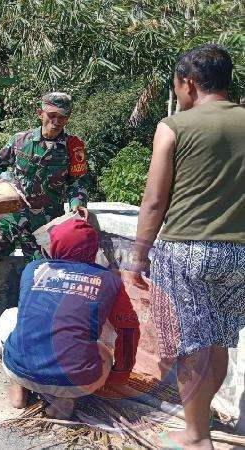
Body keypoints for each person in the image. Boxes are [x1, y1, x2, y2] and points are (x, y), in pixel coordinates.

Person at [131, 44, 244, 450]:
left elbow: (154, 201)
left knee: (190, 345)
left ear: (189, 82)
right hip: (239, 254)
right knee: (218, 340)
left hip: (186, 251)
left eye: (177, 85)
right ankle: (201, 423)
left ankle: (196, 437)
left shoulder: (174, 126)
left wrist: (139, 253)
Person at [0, 219, 140, 419]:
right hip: (77, 381)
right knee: (103, 352)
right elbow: (128, 329)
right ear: (93, 249)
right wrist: (120, 374)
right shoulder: (109, 280)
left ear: (55, 245)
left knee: (9, 317)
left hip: (20, 368)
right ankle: (66, 399)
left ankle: (18, 387)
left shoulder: (33, 269)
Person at [0, 92, 90, 262]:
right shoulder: (20, 140)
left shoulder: (72, 146)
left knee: (41, 267)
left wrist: (77, 203)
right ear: (40, 114)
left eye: (62, 117)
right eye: (52, 115)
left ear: (67, 119)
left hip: (45, 222)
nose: (56, 121)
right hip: (12, 215)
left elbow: (77, 181)